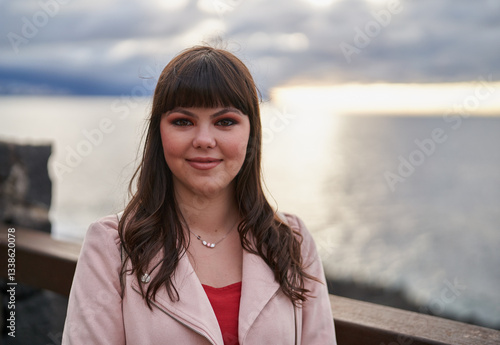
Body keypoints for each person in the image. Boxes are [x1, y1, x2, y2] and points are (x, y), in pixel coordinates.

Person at [62, 45, 337, 345]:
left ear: (251, 133)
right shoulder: (112, 248)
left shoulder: (292, 241)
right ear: (159, 134)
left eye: (225, 122)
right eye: (183, 121)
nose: (204, 140)